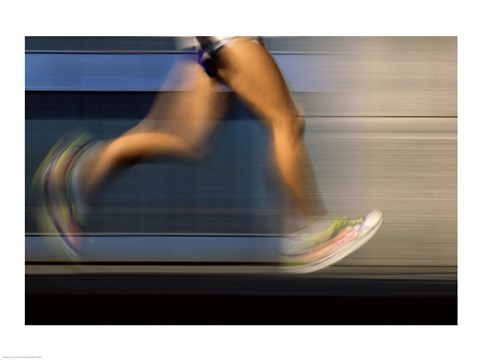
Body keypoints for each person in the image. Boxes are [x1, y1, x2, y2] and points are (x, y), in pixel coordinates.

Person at [34, 36, 383, 273]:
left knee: (183, 138)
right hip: (229, 32)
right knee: (286, 121)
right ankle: (310, 232)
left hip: (204, 37)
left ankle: (76, 170)